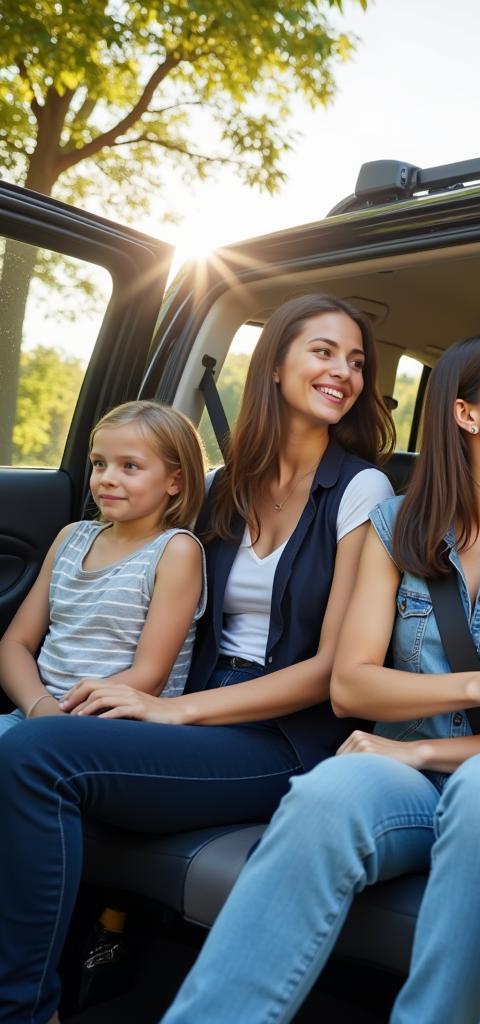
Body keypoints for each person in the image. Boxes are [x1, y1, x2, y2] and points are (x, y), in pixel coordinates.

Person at [161, 332, 480, 1024]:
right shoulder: (393, 527)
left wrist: (418, 749)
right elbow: (352, 684)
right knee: (329, 790)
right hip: (395, 780)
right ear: (466, 415)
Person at [0, 293, 395, 1023]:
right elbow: (148, 577)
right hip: (198, 712)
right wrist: (125, 692)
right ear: (275, 366)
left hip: (286, 736)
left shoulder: (362, 489)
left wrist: (170, 709)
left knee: (39, 751)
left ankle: (21, 1010)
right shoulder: (221, 484)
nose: (343, 371)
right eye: (323, 352)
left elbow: (335, 670)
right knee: (38, 743)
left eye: (357, 361)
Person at [0, 401, 206, 736]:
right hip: (34, 717)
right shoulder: (71, 538)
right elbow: (16, 643)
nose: (107, 478)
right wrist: (38, 705)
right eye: (99, 464)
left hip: (114, 728)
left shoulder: (175, 552)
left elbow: (150, 676)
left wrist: (64, 717)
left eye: (129, 466)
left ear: (175, 481)